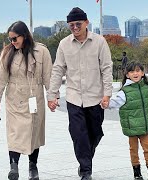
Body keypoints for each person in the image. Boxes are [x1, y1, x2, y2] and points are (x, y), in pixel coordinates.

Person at [46, 7, 113, 180]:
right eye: (71, 25)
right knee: (78, 134)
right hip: (74, 97)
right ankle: (85, 171)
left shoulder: (99, 42)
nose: (74, 27)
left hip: (96, 98)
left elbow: (106, 68)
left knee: (95, 133)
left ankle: (86, 160)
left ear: (86, 23)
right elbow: (58, 70)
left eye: (78, 24)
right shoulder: (64, 44)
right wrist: (52, 95)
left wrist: (107, 94)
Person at [0, 21, 53, 180]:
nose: (12, 42)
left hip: (34, 97)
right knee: (15, 133)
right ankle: (14, 166)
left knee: (34, 133)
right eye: (10, 39)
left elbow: (48, 77)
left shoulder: (42, 51)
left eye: (15, 39)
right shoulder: (7, 53)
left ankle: (33, 166)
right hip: (14, 98)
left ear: (24, 35)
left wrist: (52, 97)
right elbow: (1, 78)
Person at [102, 62, 148, 180]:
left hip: (144, 125)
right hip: (131, 126)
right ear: (127, 75)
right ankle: (137, 173)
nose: (135, 73)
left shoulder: (147, 88)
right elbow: (115, 103)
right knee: (134, 150)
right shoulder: (124, 91)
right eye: (132, 71)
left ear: (142, 73)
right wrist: (106, 104)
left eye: (138, 71)